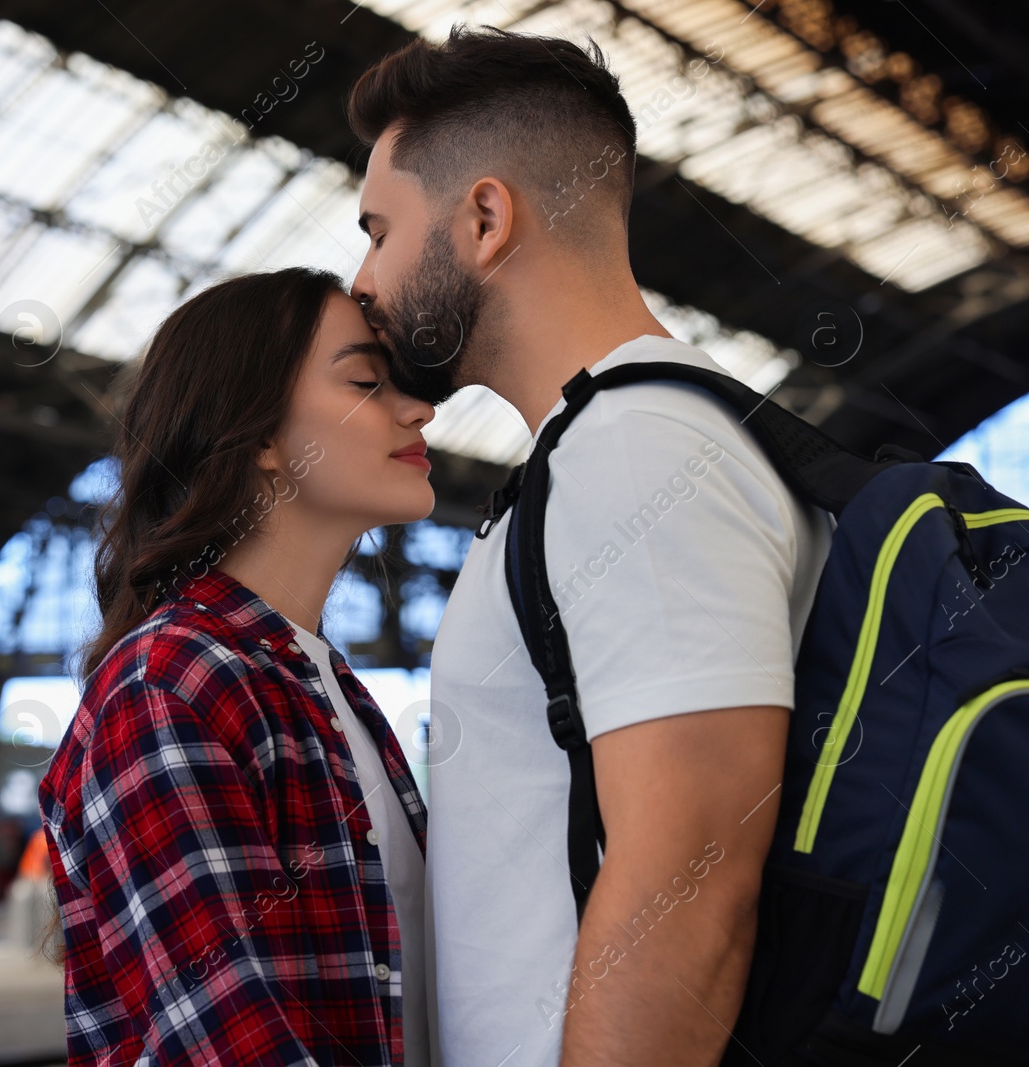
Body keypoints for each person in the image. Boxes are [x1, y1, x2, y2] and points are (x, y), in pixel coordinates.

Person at [346, 26, 834, 1067]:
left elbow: (687, 886)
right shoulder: (601, 450)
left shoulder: (636, 453)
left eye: (377, 230)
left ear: (483, 217)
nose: (362, 280)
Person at [38, 267, 438, 1067]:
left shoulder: (322, 687)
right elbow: (227, 1046)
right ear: (256, 436)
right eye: (365, 380)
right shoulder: (169, 687)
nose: (419, 408)